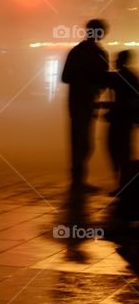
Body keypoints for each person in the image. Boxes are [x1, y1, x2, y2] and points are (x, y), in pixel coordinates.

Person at [61, 19, 110, 192]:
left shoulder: (76, 52)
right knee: (84, 143)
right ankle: (78, 182)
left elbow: (65, 77)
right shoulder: (99, 54)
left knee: (79, 141)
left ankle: (78, 180)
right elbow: (103, 80)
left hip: (77, 102)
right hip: (86, 102)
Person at [106, 50, 139, 194]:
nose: (115, 61)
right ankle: (123, 184)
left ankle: (122, 184)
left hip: (120, 120)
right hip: (125, 119)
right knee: (123, 151)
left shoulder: (120, 77)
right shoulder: (130, 77)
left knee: (117, 150)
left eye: (118, 59)